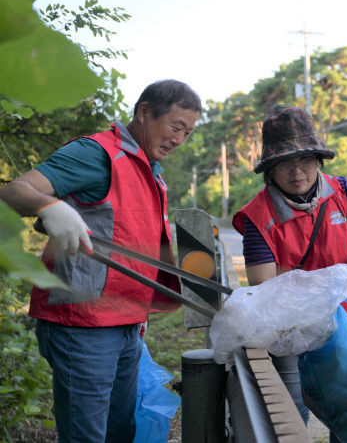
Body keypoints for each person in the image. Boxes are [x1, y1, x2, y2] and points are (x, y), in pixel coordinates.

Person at [0, 79, 201, 443]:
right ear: (144, 112)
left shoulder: (150, 170)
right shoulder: (97, 154)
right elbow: (13, 191)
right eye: (175, 127)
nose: (179, 139)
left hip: (125, 322)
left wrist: (140, 315)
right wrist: (50, 205)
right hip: (83, 324)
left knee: (119, 432)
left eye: (187, 132)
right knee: (86, 436)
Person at [231, 105, 347, 430]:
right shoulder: (257, 215)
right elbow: (264, 283)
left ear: (318, 161)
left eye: (305, 161)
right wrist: (319, 288)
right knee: (293, 412)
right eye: (286, 163)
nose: (298, 172)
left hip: (342, 317)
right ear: (271, 168)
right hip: (287, 328)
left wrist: (344, 275)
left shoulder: (343, 193)